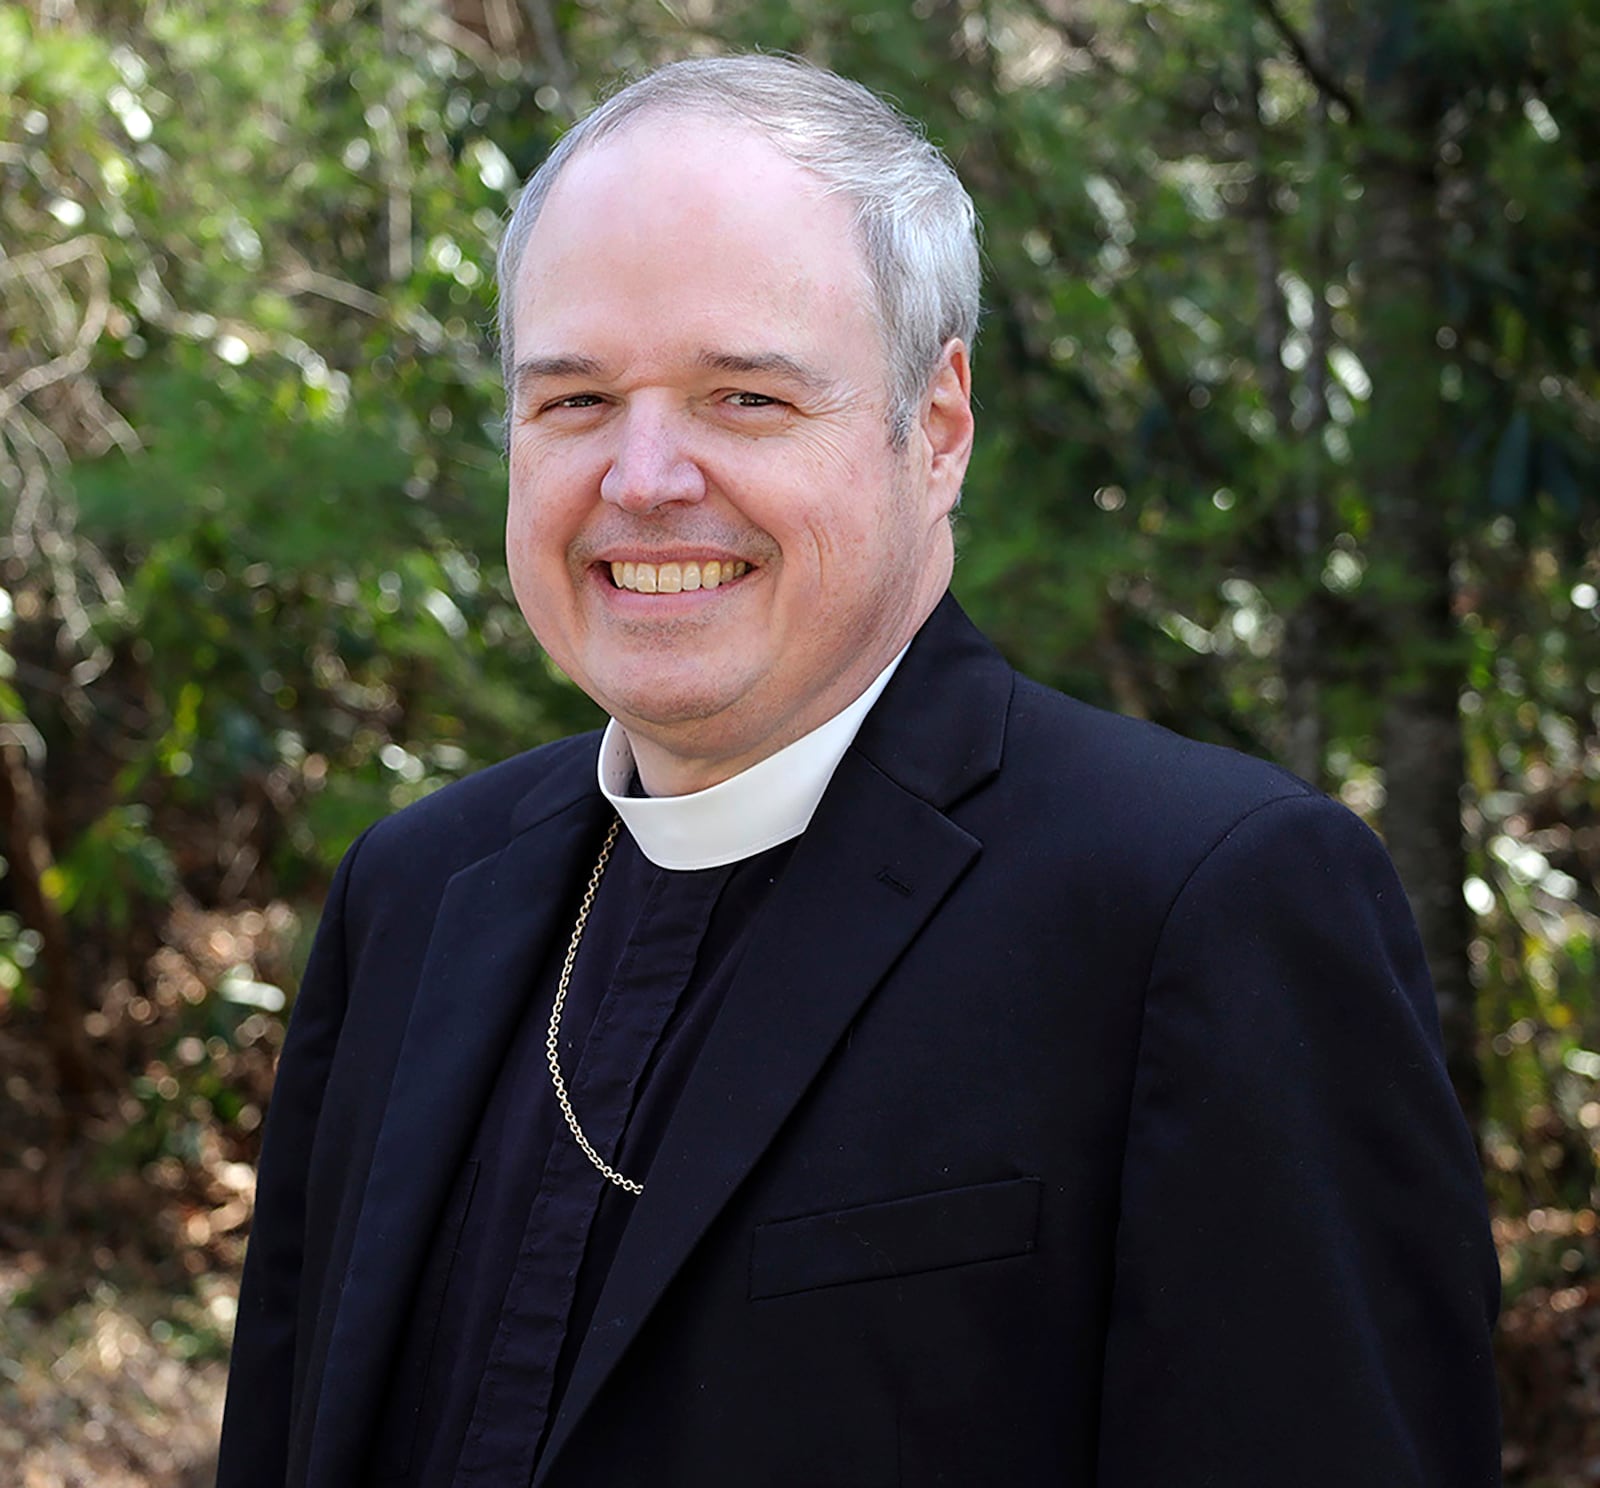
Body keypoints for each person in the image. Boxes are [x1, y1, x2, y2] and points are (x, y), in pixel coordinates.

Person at [216, 54, 1501, 1488]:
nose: (641, 479)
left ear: (936, 426)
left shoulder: (1198, 910)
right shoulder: (414, 895)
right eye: (574, 401)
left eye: (744, 399)